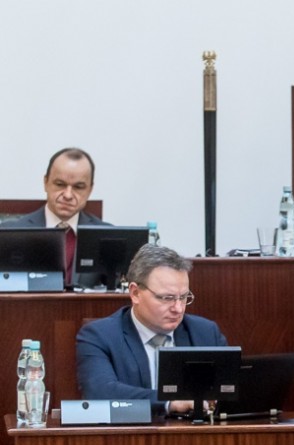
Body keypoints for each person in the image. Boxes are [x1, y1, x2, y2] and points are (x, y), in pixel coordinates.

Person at [76, 244, 228, 415]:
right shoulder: (99, 336)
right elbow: (100, 392)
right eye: (167, 298)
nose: (178, 308)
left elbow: (230, 390)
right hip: (131, 431)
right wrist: (169, 402)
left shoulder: (205, 333)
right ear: (135, 293)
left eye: (184, 297)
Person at [0, 147, 110, 286]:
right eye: (60, 184)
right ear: (45, 182)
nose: (68, 195)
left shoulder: (106, 236)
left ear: (90, 189)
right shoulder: (10, 234)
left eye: (78, 187)